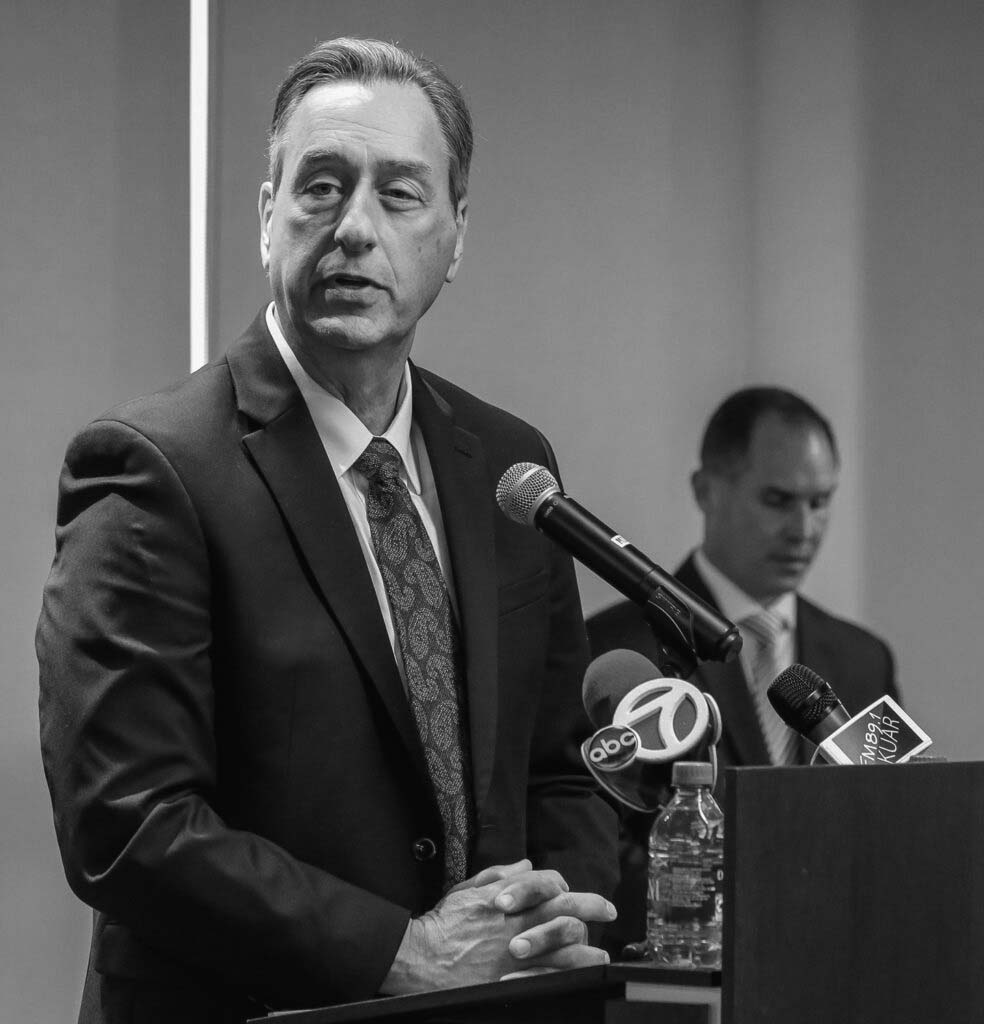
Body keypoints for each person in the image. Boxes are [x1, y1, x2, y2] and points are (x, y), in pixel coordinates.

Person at [37, 38, 618, 1023]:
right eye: (320, 188)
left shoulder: (510, 465)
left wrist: (541, 927)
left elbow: (560, 766)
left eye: (400, 194)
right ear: (267, 218)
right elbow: (129, 823)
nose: (354, 227)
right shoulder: (152, 467)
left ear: (456, 236)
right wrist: (404, 953)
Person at [587, 386, 899, 952]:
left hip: (844, 962)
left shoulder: (864, 657)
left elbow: (892, 819)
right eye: (779, 500)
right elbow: (597, 846)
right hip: (686, 965)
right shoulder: (617, 650)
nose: (804, 529)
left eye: (821, 501)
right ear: (706, 491)